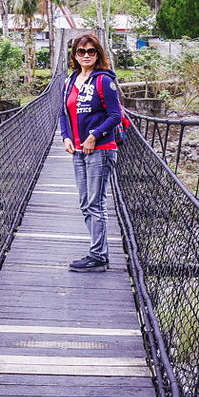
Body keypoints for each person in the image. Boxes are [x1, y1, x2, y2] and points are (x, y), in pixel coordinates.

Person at [58, 33, 122, 272]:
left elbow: (115, 116)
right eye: (81, 52)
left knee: (96, 203)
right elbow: (64, 114)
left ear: (98, 54)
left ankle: (98, 256)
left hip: (101, 150)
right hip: (78, 151)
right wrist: (66, 137)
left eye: (91, 51)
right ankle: (98, 253)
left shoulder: (104, 81)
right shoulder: (68, 82)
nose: (86, 55)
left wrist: (94, 136)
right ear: (74, 55)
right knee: (86, 204)